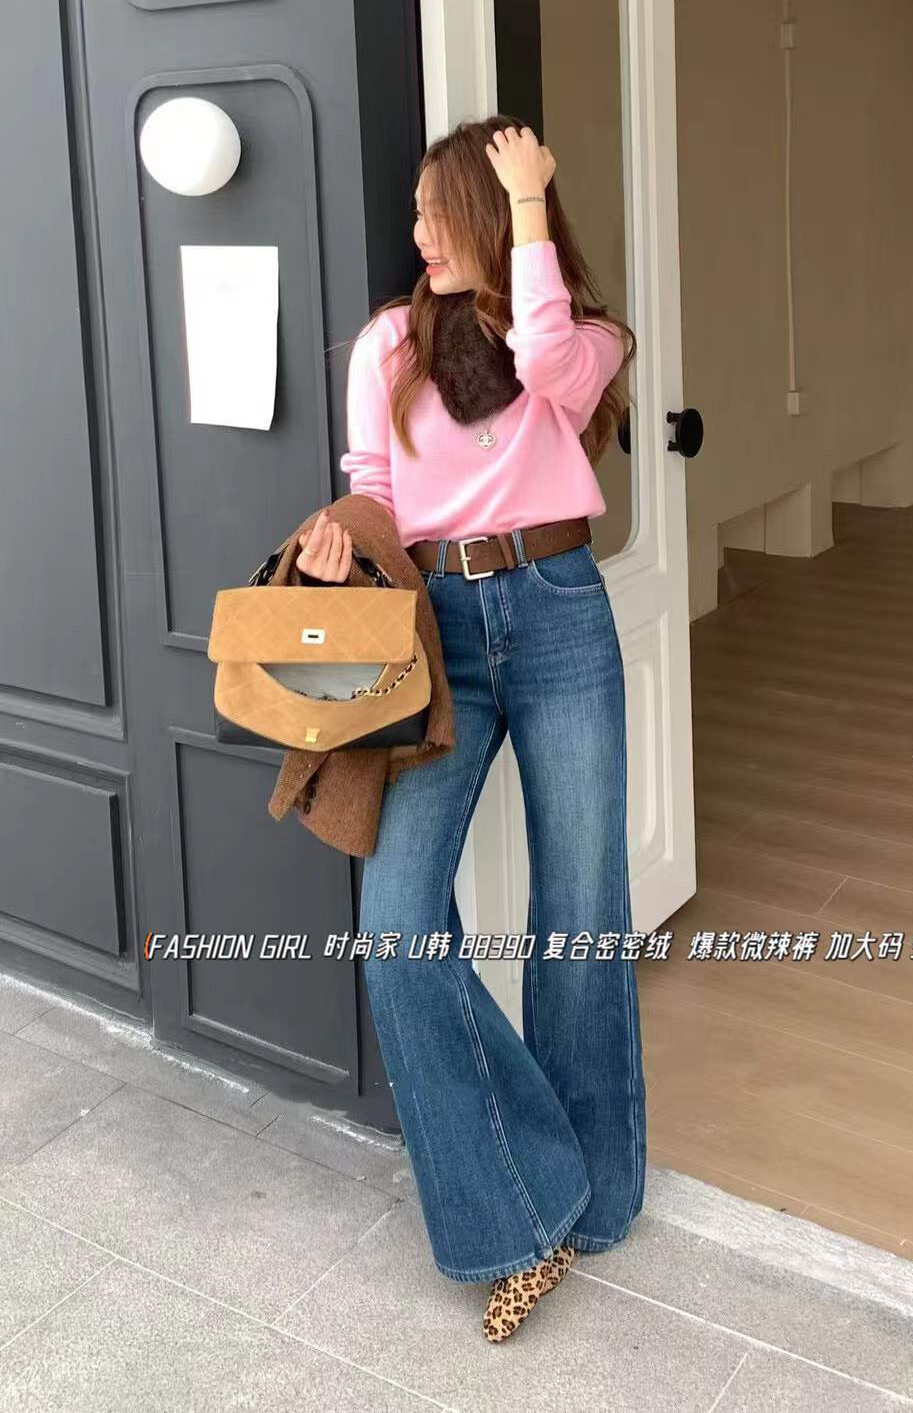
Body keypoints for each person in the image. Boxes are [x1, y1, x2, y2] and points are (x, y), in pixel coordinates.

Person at [295, 116, 647, 1343]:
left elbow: (547, 364)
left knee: (581, 911)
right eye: (414, 215)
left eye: (439, 215)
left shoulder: (587, 338)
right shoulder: (387, 342)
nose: (418, 237)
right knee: (397, 927)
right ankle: (519, 1198)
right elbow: (374, 484)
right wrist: (339, 536)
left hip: (557, 609)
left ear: (495, 220)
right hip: (434, 630)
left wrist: (531, 205)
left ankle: (596, 1199)